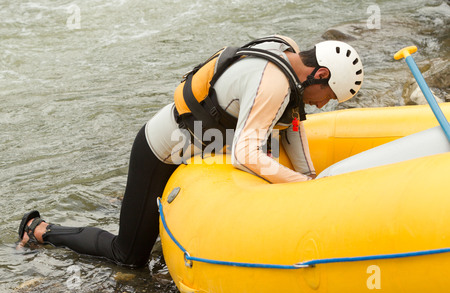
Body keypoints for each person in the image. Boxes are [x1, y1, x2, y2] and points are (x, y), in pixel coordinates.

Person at [17, 35, 363, 267]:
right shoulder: (273, 83)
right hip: (159, 154)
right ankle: (40, 229)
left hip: (193, 152)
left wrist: (313, 180)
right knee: (129, 257)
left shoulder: (287, 53)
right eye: (330, 96)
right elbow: (246, 154)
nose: (323, 105)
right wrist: (303, 187)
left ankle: (127, 207)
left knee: (143, 233)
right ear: (319, 74)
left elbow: (292, 129)